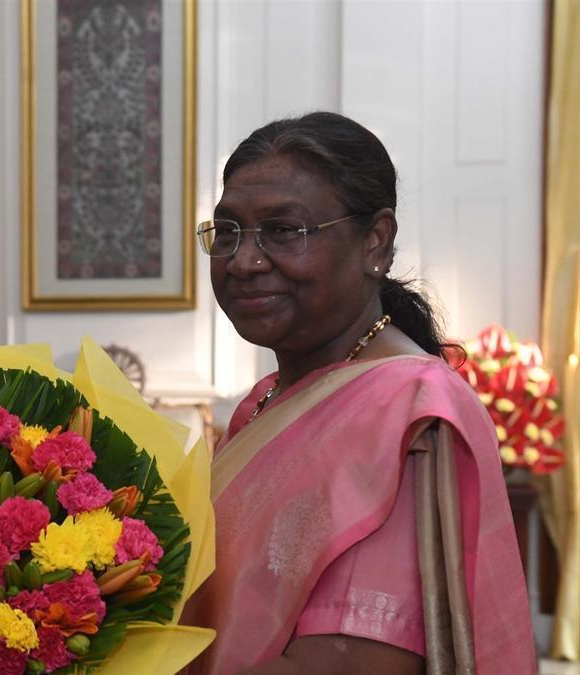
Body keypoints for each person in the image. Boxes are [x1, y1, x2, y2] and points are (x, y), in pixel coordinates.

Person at [180, 112, 535, 674]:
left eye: (284, 231)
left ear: (376, 240)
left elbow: (353, 661)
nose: (244, 261)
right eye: (228, 232)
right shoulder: (264, 401)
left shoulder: (409, 413)